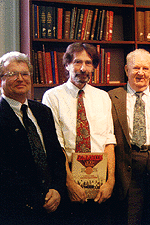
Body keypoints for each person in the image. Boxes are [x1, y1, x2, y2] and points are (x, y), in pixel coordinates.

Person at [0, 51, 67, 224]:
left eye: (25, 74)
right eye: (12, 74)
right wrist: (38, 198)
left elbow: (56, 156)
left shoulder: (43, 111)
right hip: (14, 210)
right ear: (0, 81)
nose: (20, 79)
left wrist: (57, 189)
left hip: (53, 204)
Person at [42, 43, 116, 224]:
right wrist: (70, 183)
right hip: (68, 180)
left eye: (88, 63)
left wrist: (110, 181)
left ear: (94, 67)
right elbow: (56, 145)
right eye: (77, 62)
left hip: (100, 181)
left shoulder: (103, 97)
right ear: (67, 65)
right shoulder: (52, 97)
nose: (83, 68)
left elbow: (108, 141)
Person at [108, 49, 150, 225]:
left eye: (146, 68)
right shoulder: (111, 97)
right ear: (126, 69)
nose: (141, 73)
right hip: (127, 165)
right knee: (131, 218)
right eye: (136, 67)